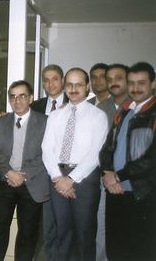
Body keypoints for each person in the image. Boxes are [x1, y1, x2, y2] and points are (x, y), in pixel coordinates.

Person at [42, 68, 108, 261]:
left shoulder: (98, 116)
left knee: (84, 235)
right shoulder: (55, 116)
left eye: (78, 84)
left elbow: (95, 153)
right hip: (57, 176)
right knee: (63, 233)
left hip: (85, 180)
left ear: (87, 87)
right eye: (69, 84)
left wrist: (70, 179)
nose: (73, 88)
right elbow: (47, 149)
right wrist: (57, 178)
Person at [100, 62, 156, 261]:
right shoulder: (124, 111)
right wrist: (107, 174)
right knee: (115, 248)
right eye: (131, 83)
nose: (135, 88)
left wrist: (118, 176)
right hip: (116, 191)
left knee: (140, 251)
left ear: (153, 83)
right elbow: (107, 148)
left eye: (141, 83)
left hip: (142, 194)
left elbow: (151, 159)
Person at [0, 80, 48, 261]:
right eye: (13, 97)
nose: (17, 101)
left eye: (22, 96)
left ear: (30, 98)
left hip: (32, 183)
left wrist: (23, 175)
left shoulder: (45, 122)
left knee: (28, 232)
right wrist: (9, 172)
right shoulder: (2, 121)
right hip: (5, 180)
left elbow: (47, 155)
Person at [31, 64, 67, 261]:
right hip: (39, 172)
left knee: (62, 221)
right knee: (44, 223)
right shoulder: (36, 105)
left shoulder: (74, 104)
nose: (50, 83)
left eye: (54, 79)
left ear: (62, 81)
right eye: (46, 79)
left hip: (63, 172)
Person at [95, 63, 129, 261]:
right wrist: (107, 173)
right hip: (104, 180)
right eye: (110, 79)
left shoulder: (139, 106)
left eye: (118, 78)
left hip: (131, 181)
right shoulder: (101, 108)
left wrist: (119, 175)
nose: (113, 82)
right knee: (101, 227)